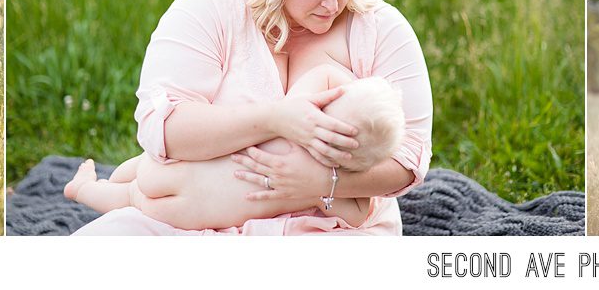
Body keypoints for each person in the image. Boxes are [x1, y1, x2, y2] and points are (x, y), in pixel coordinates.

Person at [74, 0, 433, 235]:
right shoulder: (211, 5)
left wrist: (322, 182)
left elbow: (410, 158)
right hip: (195, 220)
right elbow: (162, 129)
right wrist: (273, 119)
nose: (332, 4)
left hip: (329, 231)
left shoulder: (379, 27)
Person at [64, 66, 404, 229]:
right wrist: (331, 185)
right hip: (186, 212)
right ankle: (84, 190)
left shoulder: (298, 114)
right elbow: (360, 214)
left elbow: (325, 72)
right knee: (129, 202)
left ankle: (100, 182)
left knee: (140, 168)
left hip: (181, 165)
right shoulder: (325, 186)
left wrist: (341, 90)